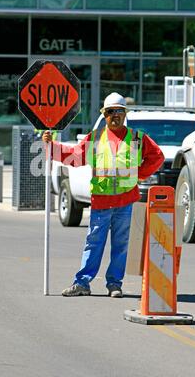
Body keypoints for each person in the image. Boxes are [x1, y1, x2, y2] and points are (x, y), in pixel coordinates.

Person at [42, 92, 164, 298]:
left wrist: (139, 174)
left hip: (125, 202)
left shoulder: (136, 138)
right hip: (101, 202)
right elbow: (75, 157)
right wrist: (50, 146)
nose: (115, 115)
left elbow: (157, 157)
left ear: (125, 114)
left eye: (119, 111)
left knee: (121, 246)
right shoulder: (96, 138)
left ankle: (114, 284)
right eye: (110, 112)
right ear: (104, 115)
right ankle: (82, 283)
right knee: (94, 243)